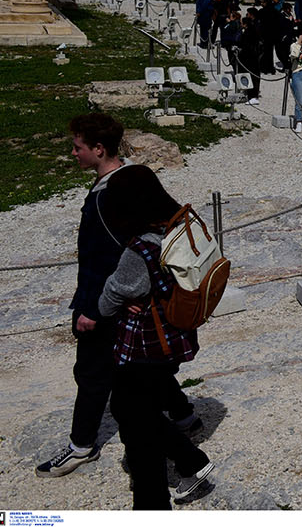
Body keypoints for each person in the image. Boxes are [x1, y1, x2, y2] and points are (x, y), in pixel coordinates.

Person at [36, 115, 199, 479]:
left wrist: (94, 308)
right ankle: (185, 415)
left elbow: (124, 252)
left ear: (99, 149)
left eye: (78, 147)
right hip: (128, 298)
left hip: (107, 300)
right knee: (143, 363)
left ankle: (81, 446)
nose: (73, 152)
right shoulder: (133, 177)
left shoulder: (113, 193)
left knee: (93, 373)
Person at [96, 171, 216, 508]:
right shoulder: (181, 226)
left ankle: (184, 468)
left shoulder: (140, 248)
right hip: (177, 335)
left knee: (130, 412)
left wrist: (117, 291)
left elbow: (109, 300)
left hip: (146, 344)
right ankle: (177, 475)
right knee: (137, 415)